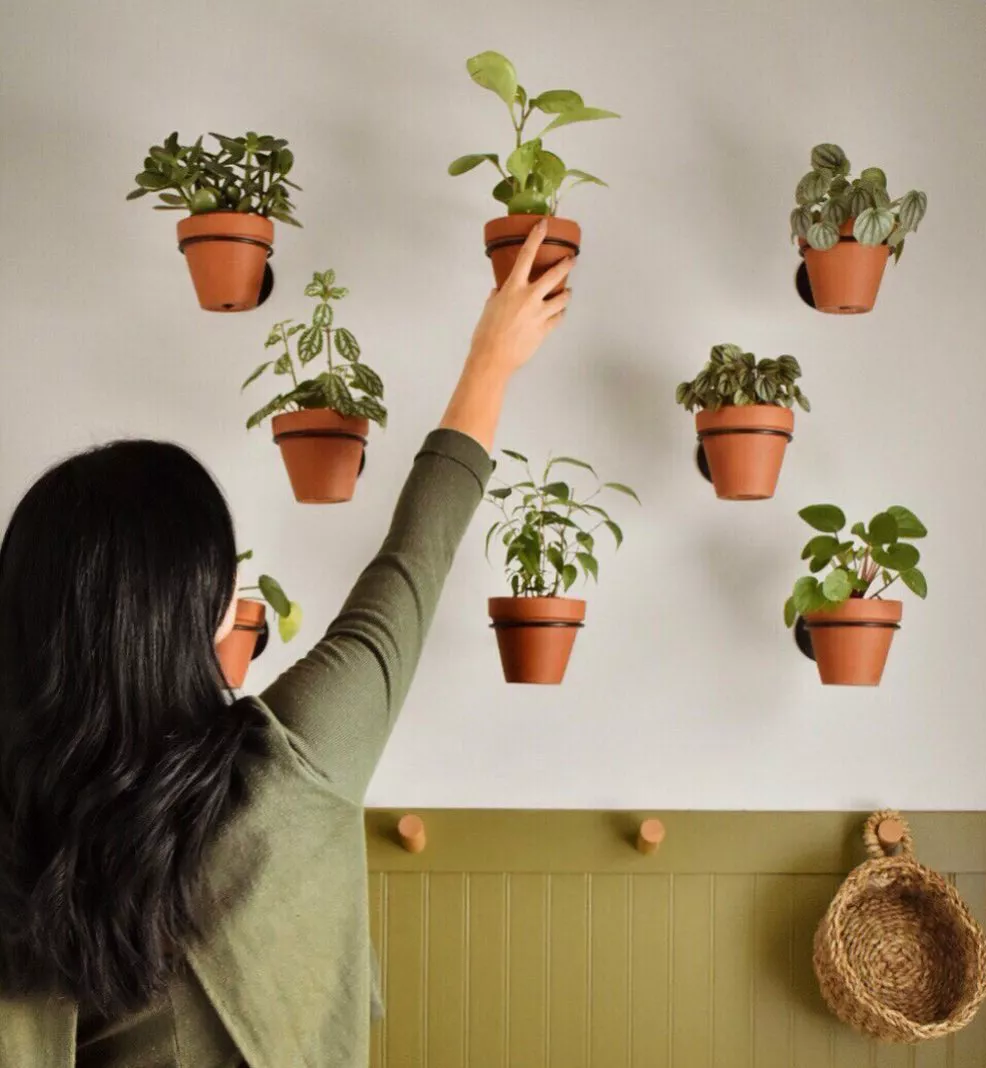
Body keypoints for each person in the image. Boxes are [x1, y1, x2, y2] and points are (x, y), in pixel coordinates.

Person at [0, 222, 573, 1068]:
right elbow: (413, 560)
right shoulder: (295, 766)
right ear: (210, 615)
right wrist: (490, 361)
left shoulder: (19, 824)